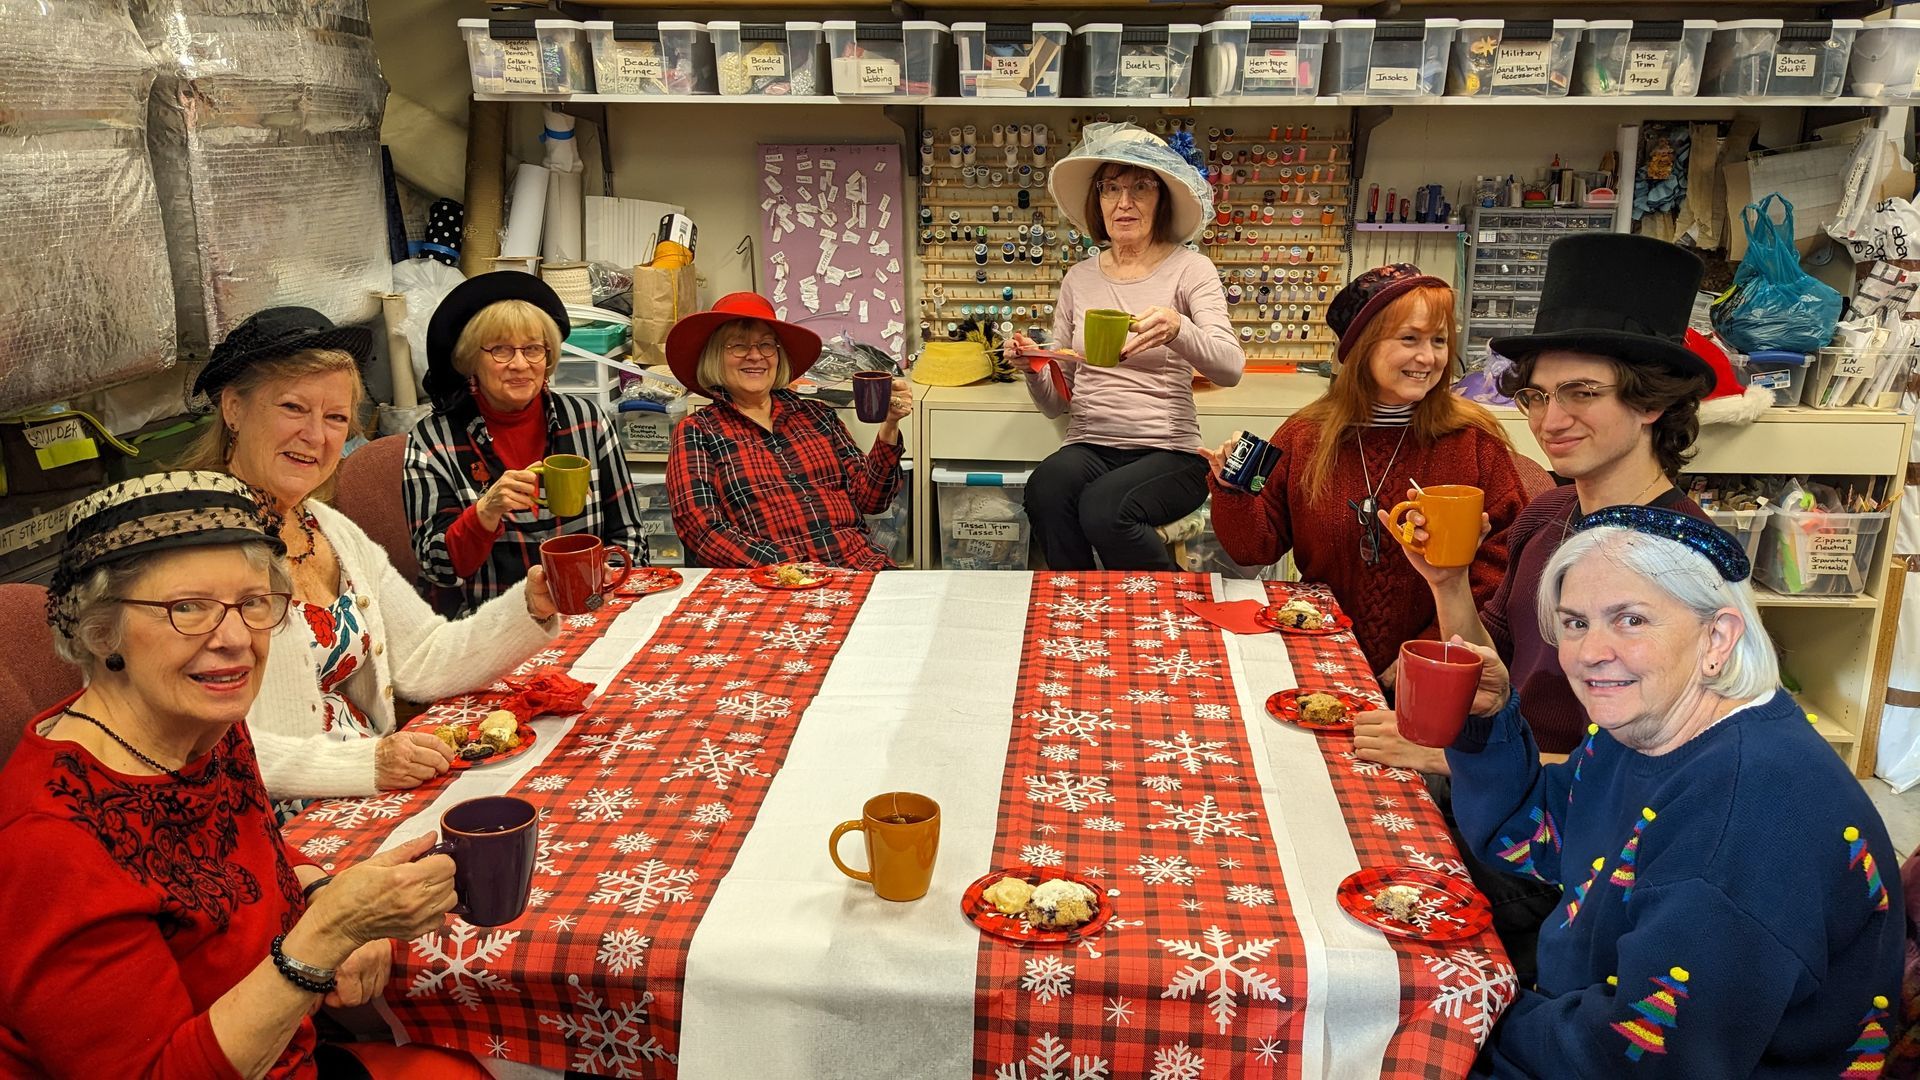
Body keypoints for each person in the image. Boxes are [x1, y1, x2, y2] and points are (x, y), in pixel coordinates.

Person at [0, 471, 482, 1078]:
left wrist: (316, 889)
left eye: (253, 603)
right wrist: (331, 933)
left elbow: (245, 854)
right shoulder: (48, 841)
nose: (235, 639)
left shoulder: (202, 727)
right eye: (188, 608)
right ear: (101, 629)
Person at [1443, 507, 1901, 1076]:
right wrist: (1489, 722)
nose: (1589, 653)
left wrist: (1471, 1020)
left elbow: (1637, 1058)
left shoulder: (1744, 812)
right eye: (1576, 623)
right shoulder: (1646, 727)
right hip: (1584, 1015)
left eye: (1631, 620)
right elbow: (1537, 837)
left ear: (1717, 636)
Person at [1357, 234, 1718, 769]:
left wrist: (1451, 758)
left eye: (1583, 393)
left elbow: (1652, 768)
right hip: (1499, 802)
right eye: (1538, 396)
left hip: (1579, 839)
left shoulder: (1684, 560)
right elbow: (1492, 663)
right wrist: (1448, 581)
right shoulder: (1548, 513)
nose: (1549, 422)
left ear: (1651, 403)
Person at [183, 306, 560, 807]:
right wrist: (367, 764)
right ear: (233, 408)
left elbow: (424, 656)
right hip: (266, 821)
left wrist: (530, 606)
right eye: (294, 408)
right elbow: (190, 741)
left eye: (336, 417)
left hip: (363, 793)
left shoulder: (328, 528)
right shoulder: (189, 546)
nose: (317, 436)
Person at [1203, 265, 1528, 674]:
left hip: (1441, 672)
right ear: (1362, 347)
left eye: (1440, 340)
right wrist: (1231, 488)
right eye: (1409, 339)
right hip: (1320, 660)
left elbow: (1505, 567)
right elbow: (1253, 549)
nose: (1429, 358)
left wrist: (1423, 652)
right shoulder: (1306, 437)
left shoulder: (1473, 442)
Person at [1006, 122, 1244, 571]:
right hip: (1091, 443)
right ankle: (1079, 603)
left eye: (1141, 187)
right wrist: (1032, 367)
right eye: (1110, 188)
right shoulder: (1080, 278)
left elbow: (1230, 368)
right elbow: (1058, 402)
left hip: (1169, 452)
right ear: (1097, 201)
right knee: (1045, 490)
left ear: (1163, 199)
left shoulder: (1190, 269)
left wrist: (1180, 329)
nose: (1124, 203)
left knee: (1105, 508)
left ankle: (1168, 605)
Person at [405, 272, 649, 616]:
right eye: (501, 350)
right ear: (471, 359)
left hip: (587, 611)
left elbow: (630, 536)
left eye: (533, 349)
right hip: (490, 626)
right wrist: (485, 512)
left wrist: (600, 586)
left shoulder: (588, 421)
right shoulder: (432, 442)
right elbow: (437, 569)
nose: (520, 364)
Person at [665, 291, 911, 569]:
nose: (755, 356)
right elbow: (702, 531)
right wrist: (789, 567)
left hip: (858, 565)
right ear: (714, 358)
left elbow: (872, 500)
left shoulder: (818, 416)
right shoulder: (698, 431)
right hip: (772, 581)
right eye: (738, 346)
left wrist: (889, 426)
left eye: (766, 345)